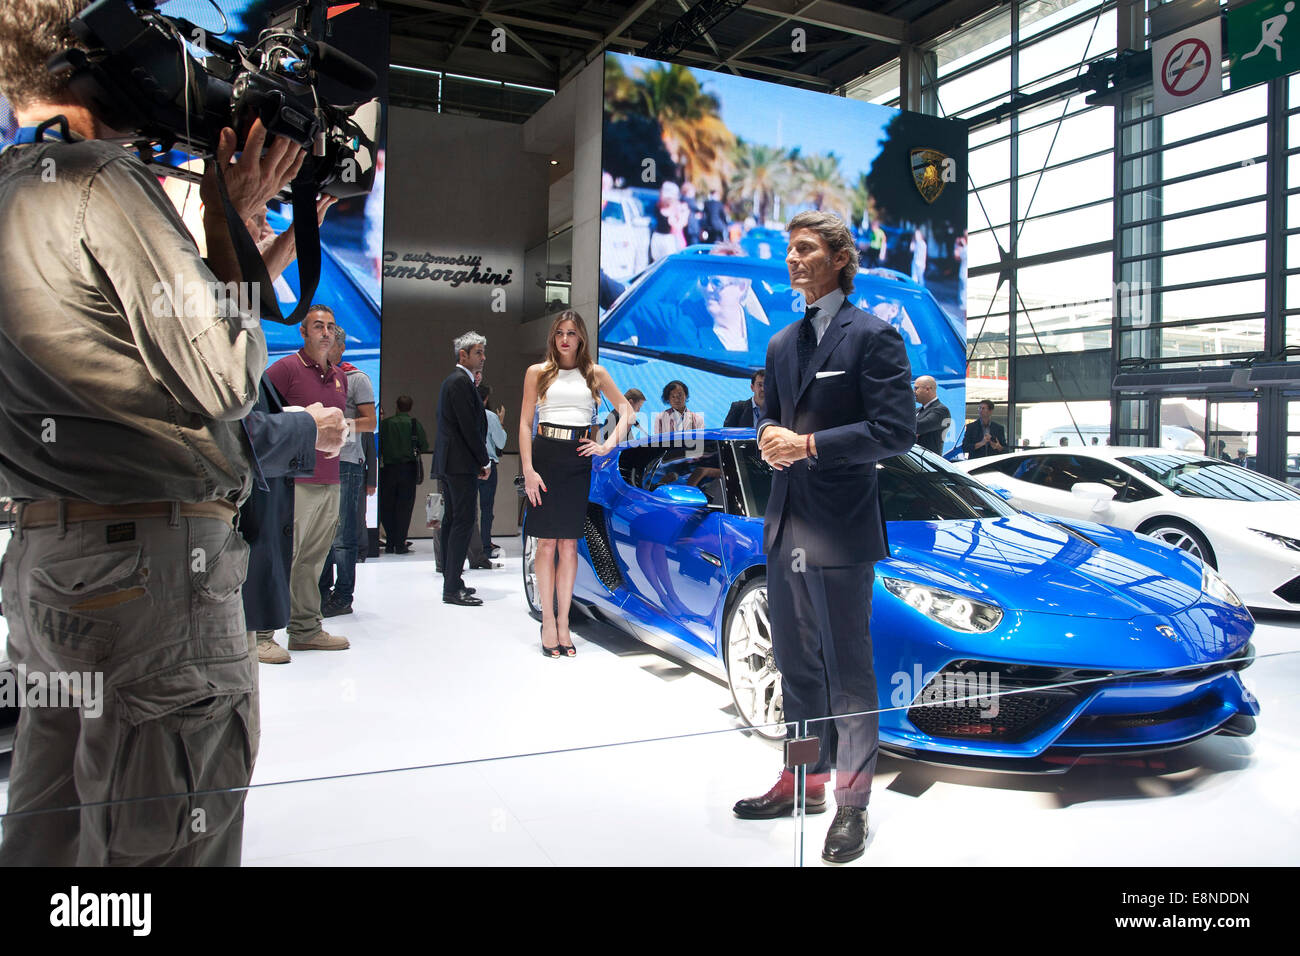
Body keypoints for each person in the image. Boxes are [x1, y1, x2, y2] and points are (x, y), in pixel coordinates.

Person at [0, 0, 307, 866]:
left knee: (51, 833)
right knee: (162, 840)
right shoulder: (98, 180)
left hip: (50, 566)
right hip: (149, 579)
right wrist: (231, 214)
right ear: (73, 63)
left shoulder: (15, 188)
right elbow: (227, 373)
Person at [735, 210, 915, 865]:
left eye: (806, 249)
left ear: (840, 257)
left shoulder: (874, 338)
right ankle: (805, 780)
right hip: (785, 529)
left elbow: (896, 432)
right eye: (789, 250)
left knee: (848, 677)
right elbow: (768, 422)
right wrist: (768, 440)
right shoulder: (782, 344)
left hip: (841, 533)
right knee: (798, 672)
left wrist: (808, 444)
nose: (793, 260)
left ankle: (852, 805)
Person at [520, 311, 633, 657]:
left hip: (578, 459)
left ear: (581, 337)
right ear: (553, 338)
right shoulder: (536, 373)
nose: (564, 339)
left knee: (569, 546)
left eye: (571, 333)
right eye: (559, 333)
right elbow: (525, 424)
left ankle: (564, 622)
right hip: (545, 457)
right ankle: (548, 623)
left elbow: (626, 410)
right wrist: (528, 470)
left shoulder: (594, 373)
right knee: (545, 546)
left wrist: (606, 444)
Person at [266, 305, 352, 653]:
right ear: (303, 332)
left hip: (329, 478)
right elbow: (261, 414)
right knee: (282, 556)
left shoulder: (340, 376)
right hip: (293, 480)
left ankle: (304, 629)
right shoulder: (285, 369)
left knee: (313, 560)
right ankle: (260, 633)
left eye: (331, 326)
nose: (326, 332)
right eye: (318, 326)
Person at [319, 325, 377, 617]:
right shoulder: (315, 377)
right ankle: (319, 593)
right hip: (317, 463)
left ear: (340, 348)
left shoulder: (357, 379)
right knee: (319, 534)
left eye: (328, 343)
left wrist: (340, 427)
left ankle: (343, 595)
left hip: (347, 463)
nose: (323, 348)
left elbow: (370, 423)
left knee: (342, 536)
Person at [433, 332, 492, 606]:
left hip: (453, 463)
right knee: (463, 522)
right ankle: (451, 587)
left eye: (482, 352)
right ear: (463, 355)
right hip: (459, 464)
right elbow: (469, 427)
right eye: (478, 352)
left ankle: (453, 581)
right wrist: (484, 460)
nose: (482, 357)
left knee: (453, 521)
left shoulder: (457, 382)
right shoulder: (459, 382)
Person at [378, 396, 429, 553]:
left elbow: (378, 444)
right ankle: (400, 543)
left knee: (386, 505)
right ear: (410, 407)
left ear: (396, 406)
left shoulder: (386, 424)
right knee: (404, 507)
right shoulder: (414, 424)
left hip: (388, 469)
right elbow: (425, 446)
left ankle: (390, 541)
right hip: (408, 470)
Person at [478, 383, 507, 563]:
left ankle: (468, 546)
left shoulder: (465, 414)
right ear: (486, 398)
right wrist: (500, 422)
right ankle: (485, 546)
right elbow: (501, 442)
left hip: (467, 466)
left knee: (466, 509)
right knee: (486, 508)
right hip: (488, 464)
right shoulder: (490, 416)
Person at [913, 375, 951, 454]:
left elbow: (918, 427)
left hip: (927, 462)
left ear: (927, 389)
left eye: (916, 388)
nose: (914, 392)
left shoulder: (941, 411)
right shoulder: (917, 411)